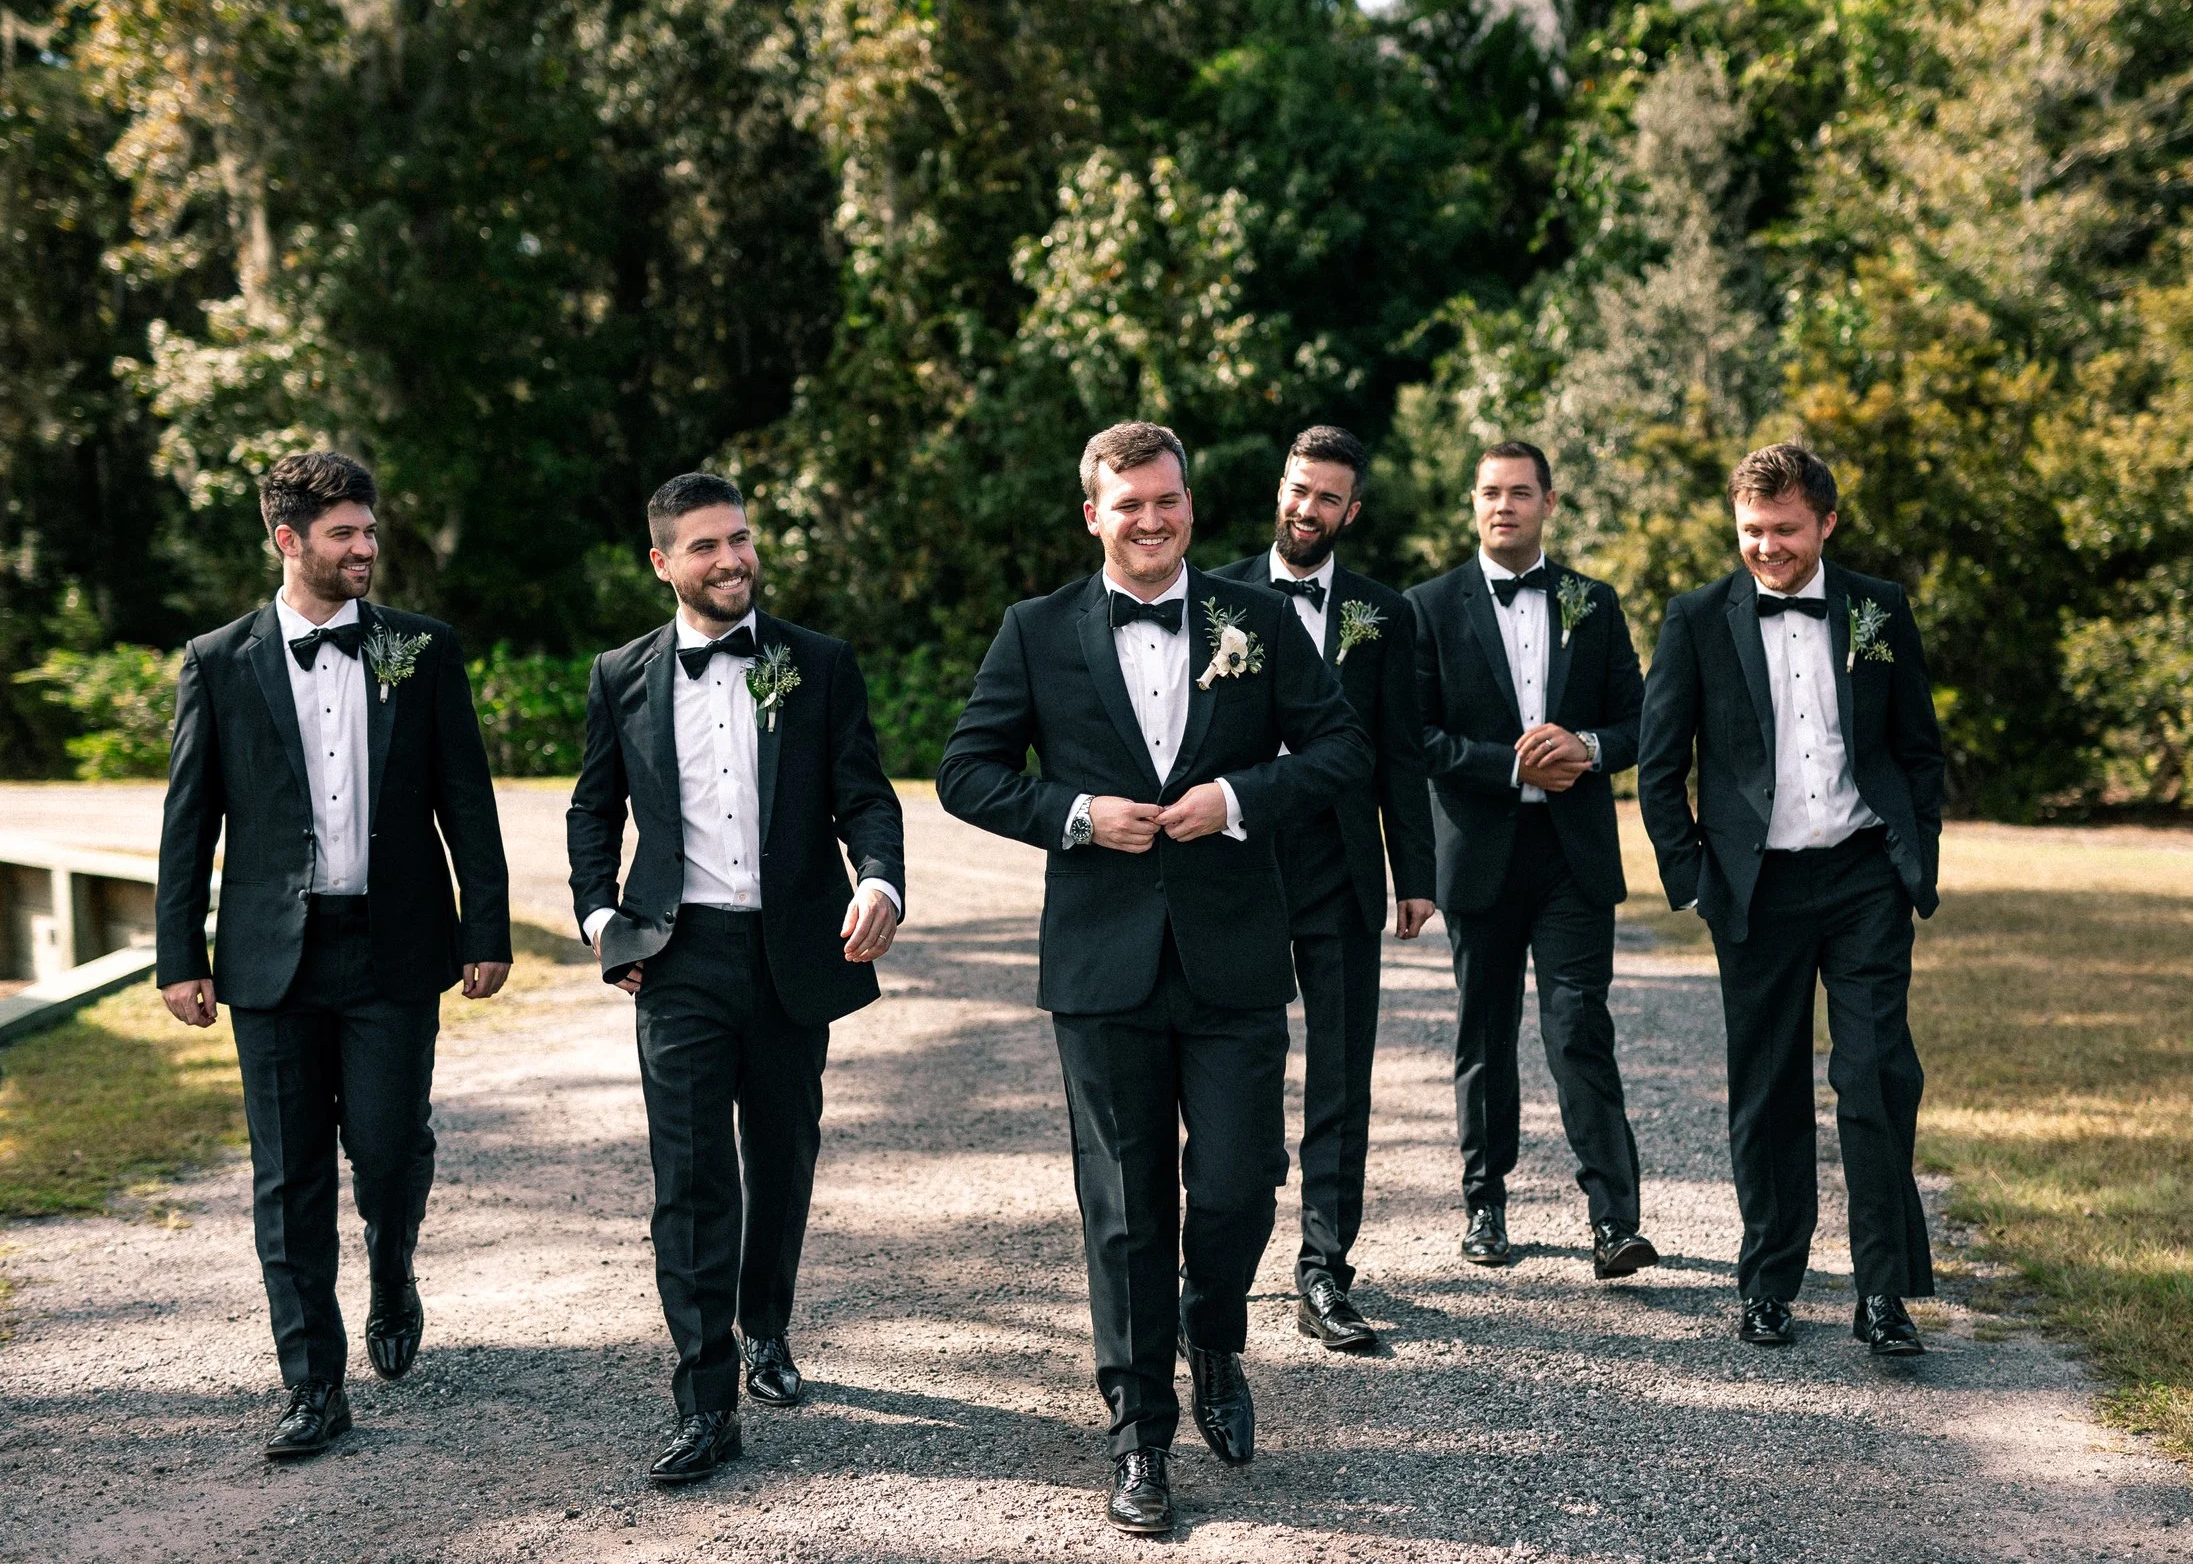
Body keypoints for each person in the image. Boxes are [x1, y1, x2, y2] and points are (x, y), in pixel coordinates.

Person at [937, 422, 1367, 1535]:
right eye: (1126, 504)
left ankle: (1212, 1331)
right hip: (1101, 962)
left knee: (1236, 1184)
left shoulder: (1258, 623)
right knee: (1123, 1208)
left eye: (1166, 500)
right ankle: (1138, 1437)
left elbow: (1340, 752)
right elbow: (965, 771)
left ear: (1189, 503)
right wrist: (1074, 815)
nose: (1150, 519)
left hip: (1232, 954)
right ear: (1093, 514)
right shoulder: (1035, 631)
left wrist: (1236, 800)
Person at [155, 451, 511, 1459]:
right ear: (288, 539)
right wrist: (179, 952)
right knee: (287, 1173)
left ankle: (391, 1267)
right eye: (344, 532)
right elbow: (190, 819)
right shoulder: (218, 660)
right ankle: (314, 1383)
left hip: (394, 949)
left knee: (392, 1148)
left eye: (369, 528)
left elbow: (466, 799)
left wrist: (484, 926)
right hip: (271, 962)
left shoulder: (421, 649)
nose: (365, 546)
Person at [566, 472, 906, 1484]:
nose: (731, 559)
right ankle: (704, 1396)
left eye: (741, 539)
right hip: (677, 956)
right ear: (665, 562)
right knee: (691, 1175)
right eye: (706, 545)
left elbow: (865, 794)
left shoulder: (817, 662)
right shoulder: (620, 674)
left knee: (782, 1154)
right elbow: (594, 810)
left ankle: (768, 1324)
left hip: (794, 952)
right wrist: (601, 915)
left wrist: (880, 878)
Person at [1635, 442, 1945, 1357]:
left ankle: (1884, 1292)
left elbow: (1918, 746)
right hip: (1756, 887)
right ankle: (1769, 1282)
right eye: (1751, 531)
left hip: (1862, 878)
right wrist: (1692, 876)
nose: (1765, 548)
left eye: (1784, 531)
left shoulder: (1878, 608)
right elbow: (1659, 767)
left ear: (1827, 524)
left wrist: (1911, 856)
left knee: (1877, 1075)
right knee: (1766, 1087)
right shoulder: (1695, 619)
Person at [1406, 441, 1656, 1279]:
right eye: (1488, 493)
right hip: (1480, 852)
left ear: (1550, 501)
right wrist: (1509, 762)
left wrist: (1584, 745)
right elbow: (1418, 736)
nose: (1503, 505)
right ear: (1472, 504)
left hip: (1571, 855)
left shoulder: (1595, 600)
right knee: (1484, 1035)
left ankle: (1614, 1218)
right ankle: (1486, 1203)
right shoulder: (1429, 607)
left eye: (1519, 492)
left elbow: (1638, 719)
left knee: (1579, 1026)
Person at [1209, 426, 1434, 1353]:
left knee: (1342, 1073)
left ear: (1352, 511)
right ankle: (1230, 1234)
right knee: (1240, 1068)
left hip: (1342, 869)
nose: (1309, 509)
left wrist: (1414, 872)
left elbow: (1401, 750)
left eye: (1329, 497)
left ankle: (1324, 1269)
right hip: (1239, 866)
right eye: (1299, 489)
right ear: (1280, 488)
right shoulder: (1210, 595)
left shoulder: (1383, 614)